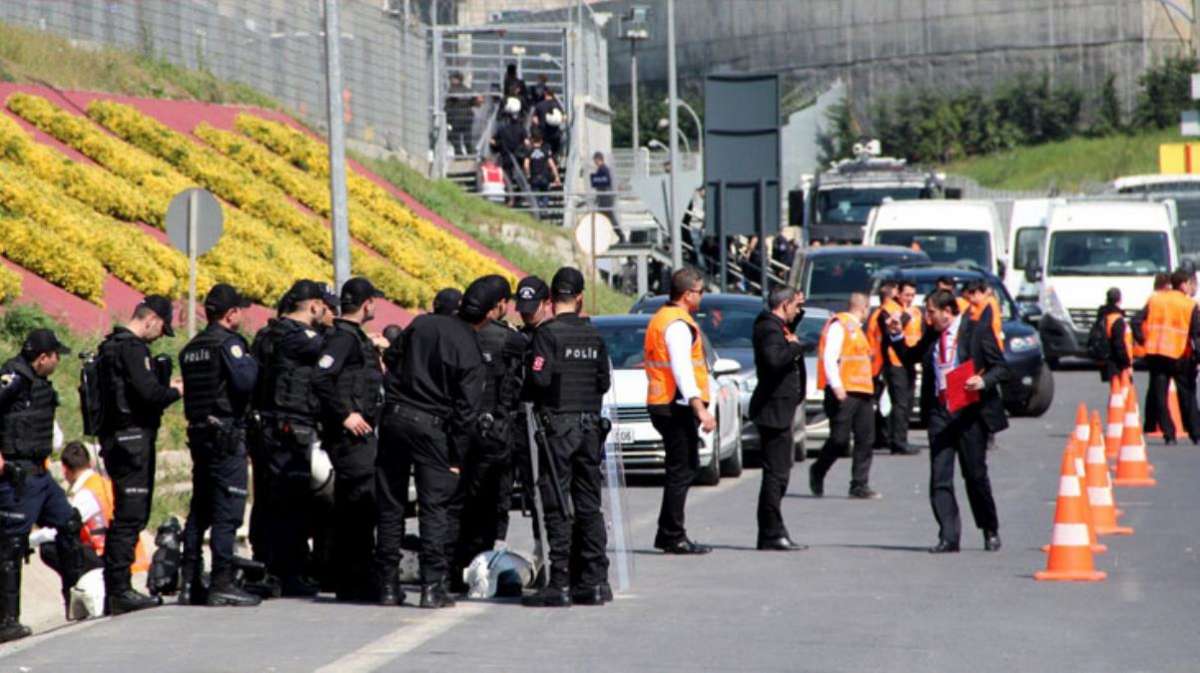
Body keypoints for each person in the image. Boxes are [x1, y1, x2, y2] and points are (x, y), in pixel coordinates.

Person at [377, 280, 487, 609]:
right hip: (432, 428)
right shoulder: (466, 342)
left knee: (390, 505)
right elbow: (467, 410)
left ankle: (386, 584)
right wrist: (456, 453)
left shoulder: (419, 324)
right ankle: (431, 587)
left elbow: (391, 358)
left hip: (395, 419)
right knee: (434, 508)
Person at [888, 289, 1007, 553]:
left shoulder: (976, 331)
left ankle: (990, 528)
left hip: (968, 411)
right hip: (940, 411)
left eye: (931, 312)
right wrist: (896, 334)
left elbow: (1001, 367)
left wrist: (983, 381)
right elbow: (909, 357)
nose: (927, 318)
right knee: (940, 476)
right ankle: (948, 536)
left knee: (974, 475)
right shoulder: (932, 334)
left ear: (948, 311)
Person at [522, 267, 612, 607]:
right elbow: (603, 382)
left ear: (550, 299)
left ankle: (559, 581)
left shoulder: (547, 335)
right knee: (589, 503)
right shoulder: (593, 335)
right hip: (590, 428)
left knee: (557, 502)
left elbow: (540, 381)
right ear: (579, 298)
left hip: (557, 428)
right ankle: (595, 581)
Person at [97, 295, 182, 615]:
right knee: (130, 516)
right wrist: (176, 390)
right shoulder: (131, 348)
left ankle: (116, 589)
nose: (160, 335)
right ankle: (119, 591)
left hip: (117, 440)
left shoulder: (109, 346)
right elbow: (150, 395)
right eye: (161, 329)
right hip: (132, 442)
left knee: (127, 515)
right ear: (151, 320)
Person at [0, 330, 87, 641]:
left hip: (41, 473)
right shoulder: (13, 377)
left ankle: (76, 598)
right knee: (11, 546)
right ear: (42, 357)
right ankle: (7, 621)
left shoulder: (37, 383)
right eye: (55, 356)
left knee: (69, 522)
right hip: (17, 476)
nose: (58, 362)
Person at [178, 284, 261, 607]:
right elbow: (245, 382)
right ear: (231, 314)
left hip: (200, 436)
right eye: (240, 309)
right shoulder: (230, 345)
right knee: (228, 508)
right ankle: (222, 582)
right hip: (226, 436)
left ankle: (189, 581)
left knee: (200, 507)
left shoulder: (191, 348)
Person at [312, 277, 388, 602]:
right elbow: (321, 376)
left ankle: (348, 579)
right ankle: (356, 578)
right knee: (359, 505)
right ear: (367, 303)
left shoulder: (352, 337)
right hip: (351, 439)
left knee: (352, 506)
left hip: (358, 437)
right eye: (375, 301)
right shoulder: (343, 338)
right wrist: (346, 414)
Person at [253, 280, 329, 597]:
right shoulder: (304, 339)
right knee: (293, 502)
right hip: (292, 427)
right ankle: (289, 572)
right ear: (313, 306)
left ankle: (266, 566)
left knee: (268, 499)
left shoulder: (266, 333)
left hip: (264, 426)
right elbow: (333, 355)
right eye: (324, 306)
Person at [453, 276, 520, 588]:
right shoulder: (507, 338)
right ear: (499, 305)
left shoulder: (454, 332)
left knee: (460, 502)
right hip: (495, 434)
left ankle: (457, 568)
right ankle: (487, 564)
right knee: (494, 502)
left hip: (459, 431)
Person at [644, 268, 715, 555]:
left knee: (684, 467)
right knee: (681, 469)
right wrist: (700, 409)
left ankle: (668, 531)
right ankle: (672, 534)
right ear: (687, 294)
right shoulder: (676, 325)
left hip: (666, 402)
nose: (702, 297)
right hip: (674, 405)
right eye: (700, 291)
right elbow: (682, 370)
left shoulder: (665, 318)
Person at [749, 287, 808, 552]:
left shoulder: (777, 324)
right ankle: (771, 532)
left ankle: (771, 530)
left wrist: (798, 307)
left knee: (780, 472)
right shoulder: (769, 329)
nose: (797, 311)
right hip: (773, 411)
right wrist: (795, 347)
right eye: (795, 306)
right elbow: (775, 360)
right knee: (776, 474)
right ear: (784, 305)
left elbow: (791, 321)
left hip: (781, 409)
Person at [810, 293, 879, 499]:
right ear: (864, 307)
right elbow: (830, 358)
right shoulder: (840, 325)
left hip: (863, 391)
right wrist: (837, 386)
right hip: (844, 392)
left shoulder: (857, 329)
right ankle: (818, 470)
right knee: (839, 440)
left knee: (865, 438)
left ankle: (859, 484)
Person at [1140, 269, 1200, 444]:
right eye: (1192, 284)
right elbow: (1195, 335)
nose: (1193, 288)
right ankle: (1195, 433)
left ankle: (1169, 434)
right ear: (1184, 284)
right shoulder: (1189, 305)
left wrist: (1144, 340)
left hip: (1156, 353)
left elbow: (1136, 321)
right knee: (1187, 395)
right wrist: (1197, 357)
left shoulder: (1155, 300)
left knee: (1160, 396)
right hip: (1180, 355)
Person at [866, 279, 899, 450]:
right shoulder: (886, 312)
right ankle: (882, 437)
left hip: (876, 363)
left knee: (879, 403)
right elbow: (886, 339)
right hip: (881, 363)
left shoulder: (876, 313)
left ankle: (880, 436)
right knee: (884, 403)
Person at [1098, 287, 1132, 383]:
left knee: (1116, 392)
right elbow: (1119, 344)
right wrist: (1126, 363)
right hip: (1118, 364)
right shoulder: (1117, 319)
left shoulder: (1104, 316)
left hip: (1108, 360)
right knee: (1119, 392)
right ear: (1120, 300)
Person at [524, 132, 561, 213]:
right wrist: (557, 177)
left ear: (532, 140)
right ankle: (544, 209)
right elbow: (552, 165)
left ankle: (537, 212)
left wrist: (528, 175)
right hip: (545, 177)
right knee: (545, 194)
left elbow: (526, 165)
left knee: (535, 196)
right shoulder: (545, 151)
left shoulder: (529, 151)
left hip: (534, 177)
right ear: (541, 141)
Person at [532, 88, 565, 158]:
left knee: (544, 152)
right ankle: (555, 162)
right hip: (555, 133)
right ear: (553, 95)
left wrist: (539, 124)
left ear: (545, 95)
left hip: (544, 133)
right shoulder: (557, 105)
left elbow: (534, 119)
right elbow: (564, 118)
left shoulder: (539, 105)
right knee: (555, 152)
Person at [590, 152, 618, 234]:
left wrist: (595, 181)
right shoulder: (603, 169)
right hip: (604, 198)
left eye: (595, 160)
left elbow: (605, 181)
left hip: (605, 198)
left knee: (608, 218)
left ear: (598, 159)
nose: (594, 162)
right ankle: (619, 236)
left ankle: (621, 236)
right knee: (606, 218)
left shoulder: (603, 169)